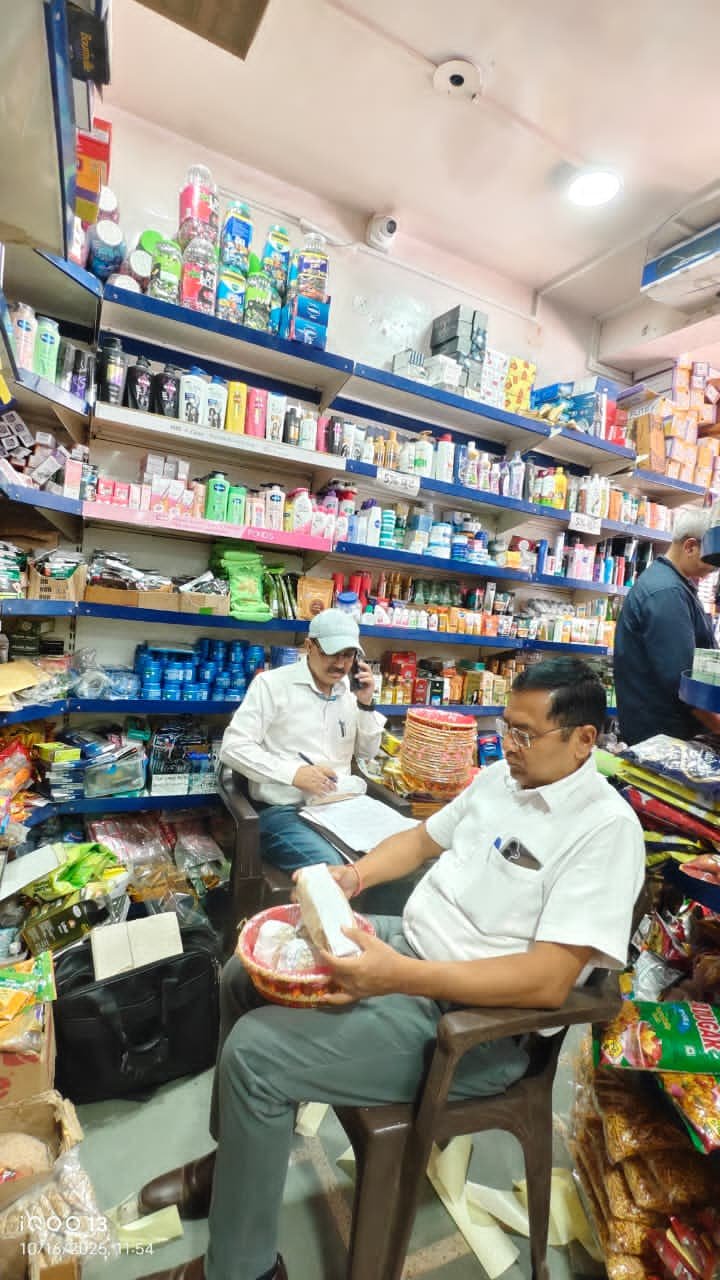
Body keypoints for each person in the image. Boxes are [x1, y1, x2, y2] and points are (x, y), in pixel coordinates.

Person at [138, 658, 645, 1280]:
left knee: (254, 1055)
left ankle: (241, 1270)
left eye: (525, 734)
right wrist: (351, 878)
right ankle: (232, 1167)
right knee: (244, 974)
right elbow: (419, 840)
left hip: (472, 1025)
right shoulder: (501, 779)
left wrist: (395, 977)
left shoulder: (605, 831)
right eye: (505, 727)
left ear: (584, 739)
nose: (508, 745)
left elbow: (546, 981)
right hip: (410, 951)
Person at [219, 608, 385, 873]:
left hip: (341, 805)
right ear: (309, 646)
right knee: (333, 870)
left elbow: (367, 753)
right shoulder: (272, 685)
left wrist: (366, 705)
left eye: (348, 655)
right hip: (284, 811)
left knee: (397, 855)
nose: (340, 664)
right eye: (332, 653)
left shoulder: (349, 693)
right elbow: (233, 748)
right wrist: (293, 774)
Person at [614, 507, 720, 746]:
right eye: (713, 562)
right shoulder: (666, 593)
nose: (714, 569)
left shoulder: (673, 585)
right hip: (665, 739)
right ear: (690, 547)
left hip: (666, 735)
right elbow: (682, 682)